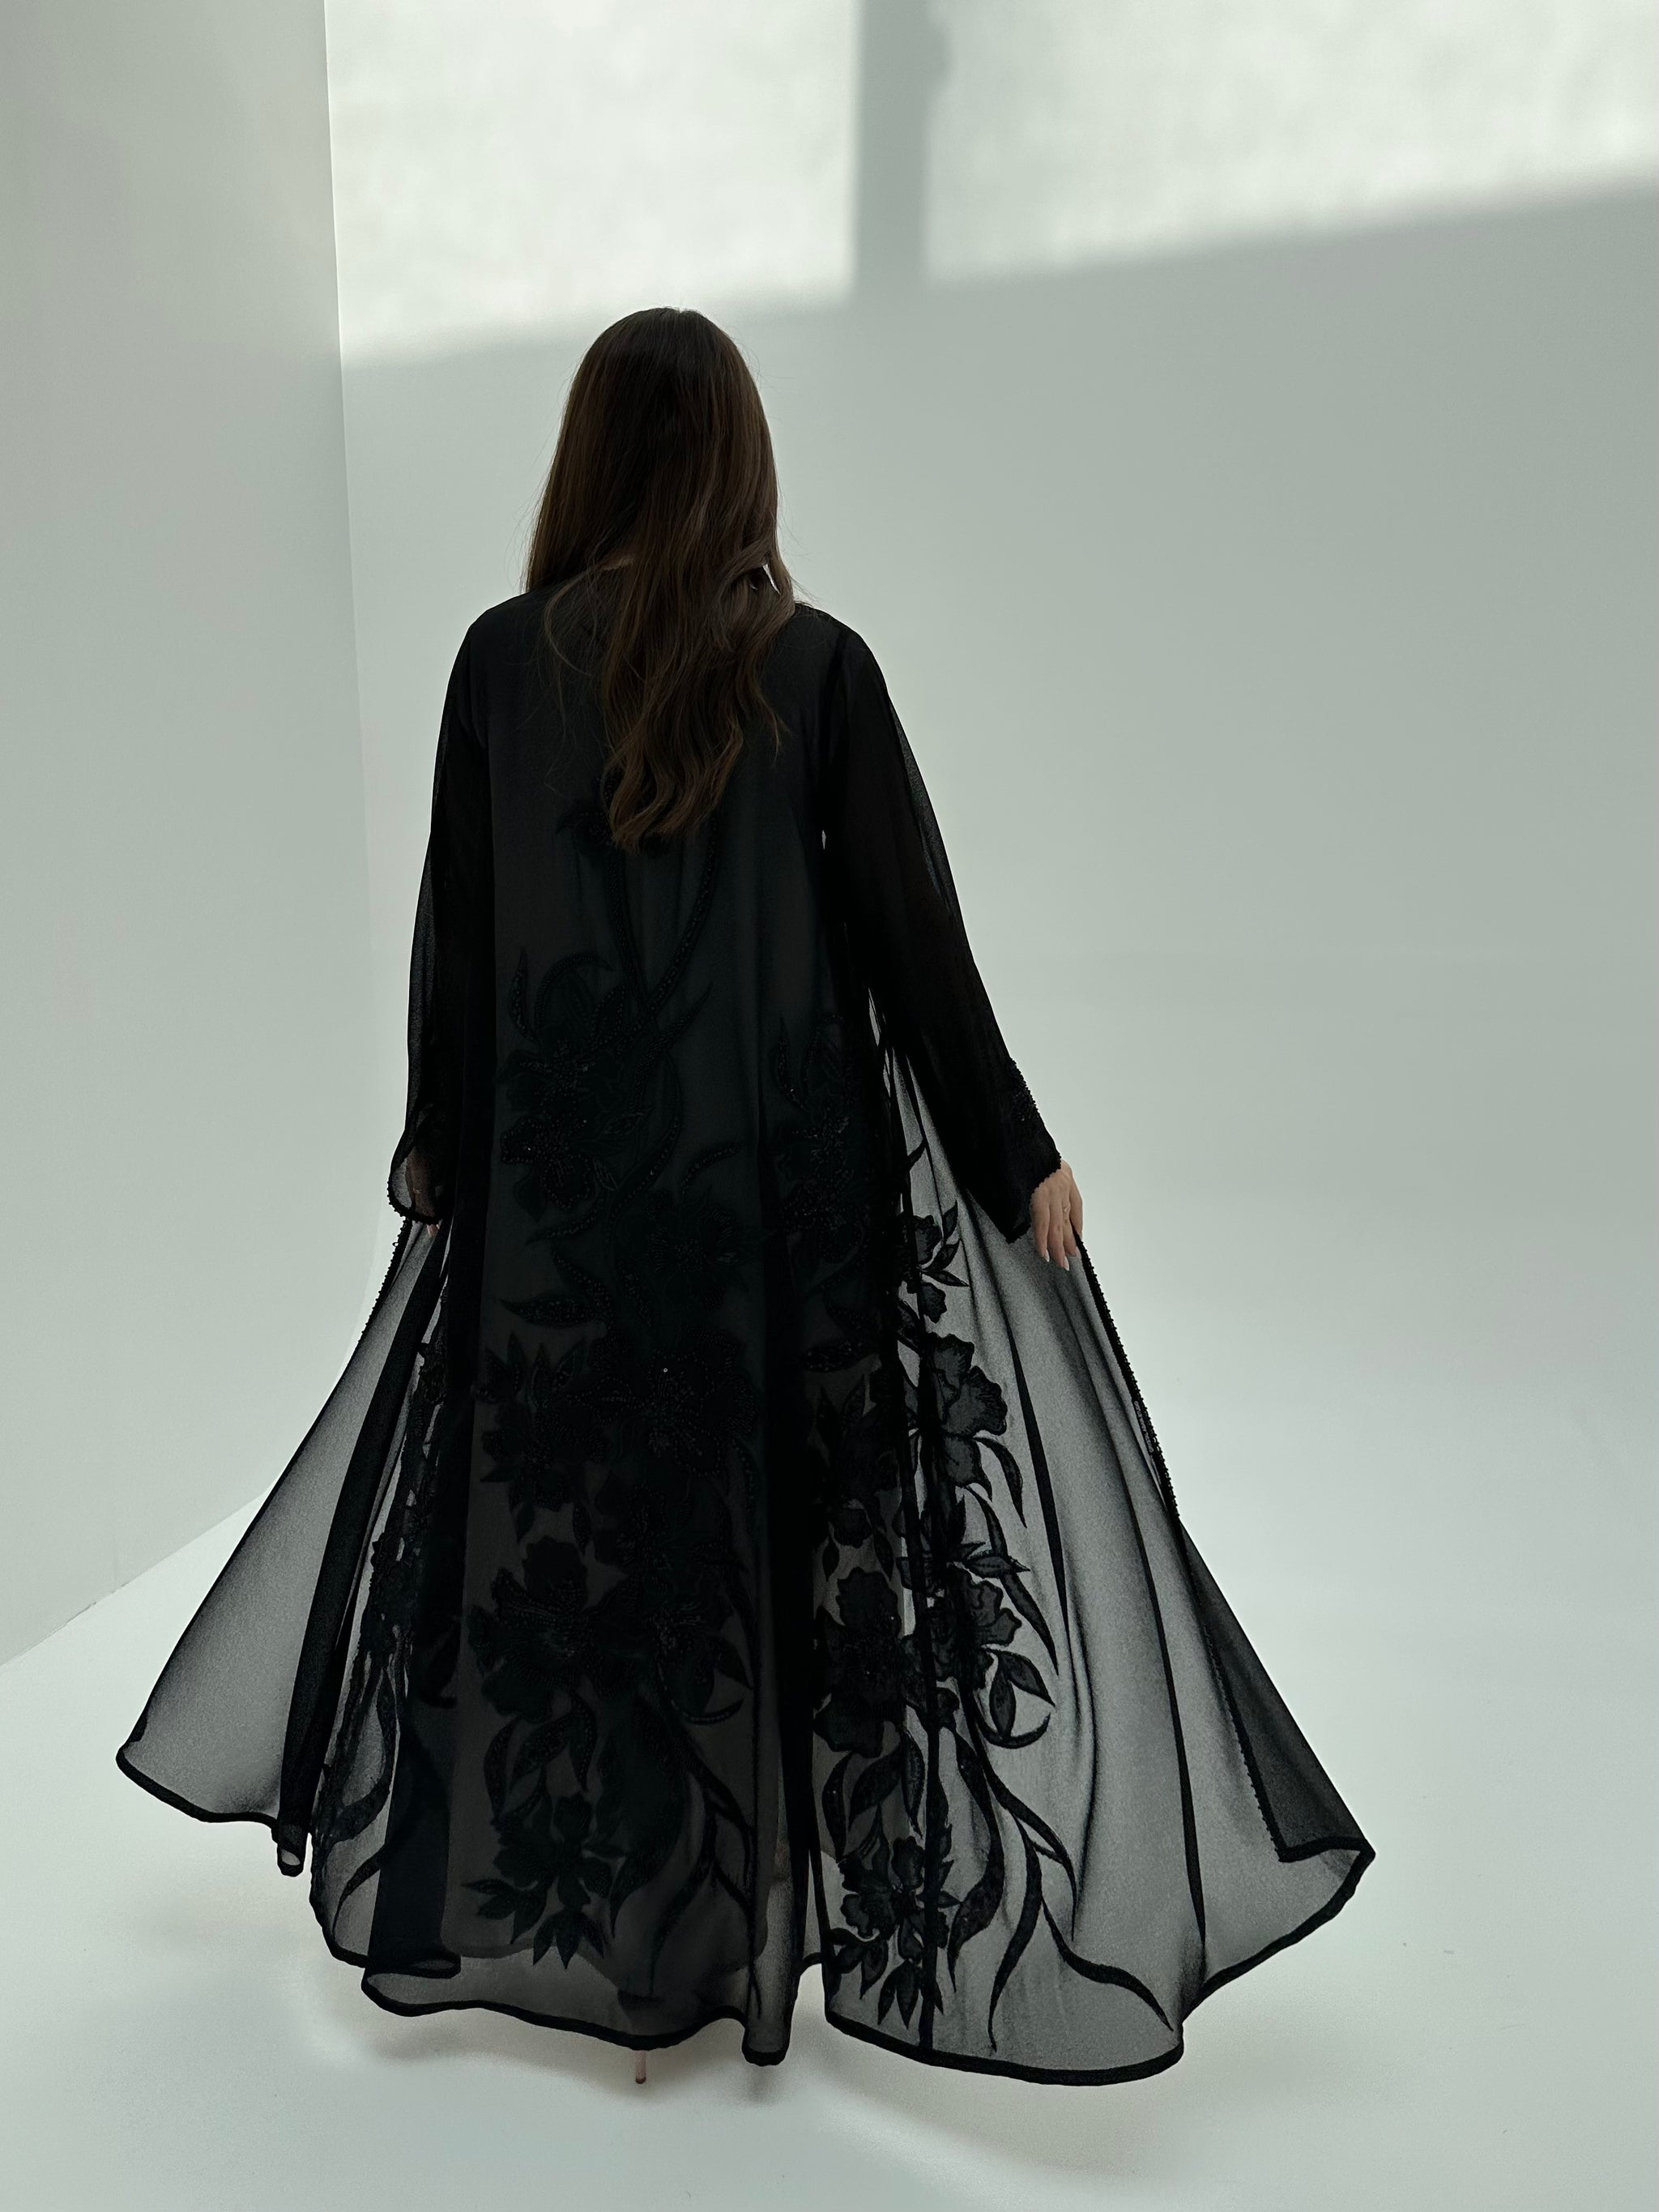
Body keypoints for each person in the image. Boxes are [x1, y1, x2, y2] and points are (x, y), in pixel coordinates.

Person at [117, 307, 1371, 2086]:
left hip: (566, 1228)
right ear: (739, 461)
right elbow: (913, 943)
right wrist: (1016, 1153)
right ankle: (742, 1927)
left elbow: (457, 944)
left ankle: (619, 1926)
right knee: (769, 1551)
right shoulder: (814, 668)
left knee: (588, 1559)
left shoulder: (500, 664)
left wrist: (450, 1162)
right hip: (779, 1225)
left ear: (589, 455)